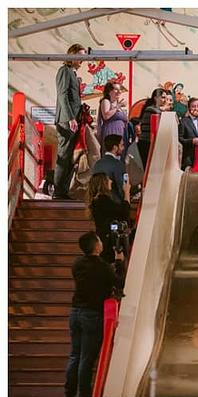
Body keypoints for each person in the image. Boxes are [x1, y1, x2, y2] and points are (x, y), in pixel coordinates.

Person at [64, 231, 121, 397]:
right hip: (92, 314)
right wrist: (119, 262)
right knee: (86, 359)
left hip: (75, 312)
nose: (101, 243)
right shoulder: (103, 267)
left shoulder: (77, 264)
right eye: (100, 241)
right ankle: (84, 395)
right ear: (96, 246)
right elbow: (118, 282)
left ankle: (69, 392)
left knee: (75, 355)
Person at [53, 44, 87, 200]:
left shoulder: (72, 73)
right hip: (67, 121)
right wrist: (70, 118)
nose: (82, 60)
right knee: (64, 155)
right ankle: (58, 192)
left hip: (73, 120)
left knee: (70, 157)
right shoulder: (64, 71)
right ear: (71, 56)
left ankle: (63, 191)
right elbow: (63, 95)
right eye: (80, 56)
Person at [83, 176, 130, 264]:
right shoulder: (102, 200)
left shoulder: (97, 201)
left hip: (104, 238)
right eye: (108, 179)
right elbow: (124, 212)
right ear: (103, 183)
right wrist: (127, 192)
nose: (111, 181)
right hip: (108, 241)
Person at [136, 88, 170, 166]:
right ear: (155, 98)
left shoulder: (160, 109)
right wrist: (163, 109)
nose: (165, 100)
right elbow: (157, 113)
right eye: (163, 97)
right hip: (146, 143)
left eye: (166, 98)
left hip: (155, 143)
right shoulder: (150, 109)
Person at [91, 135, 129, 203]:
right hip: (114, 204)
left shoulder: (97, 164)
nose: (123, 148)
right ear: (115, 147)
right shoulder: (118, 164)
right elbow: (122, 187)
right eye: (121, 145)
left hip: (97, 203)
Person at [178, 97, 198, 171]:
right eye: (193, 106)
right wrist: (192, 141)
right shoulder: (183, 122)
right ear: (189, 108)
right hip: (189, 160)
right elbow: (179, 139)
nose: (196, 108)